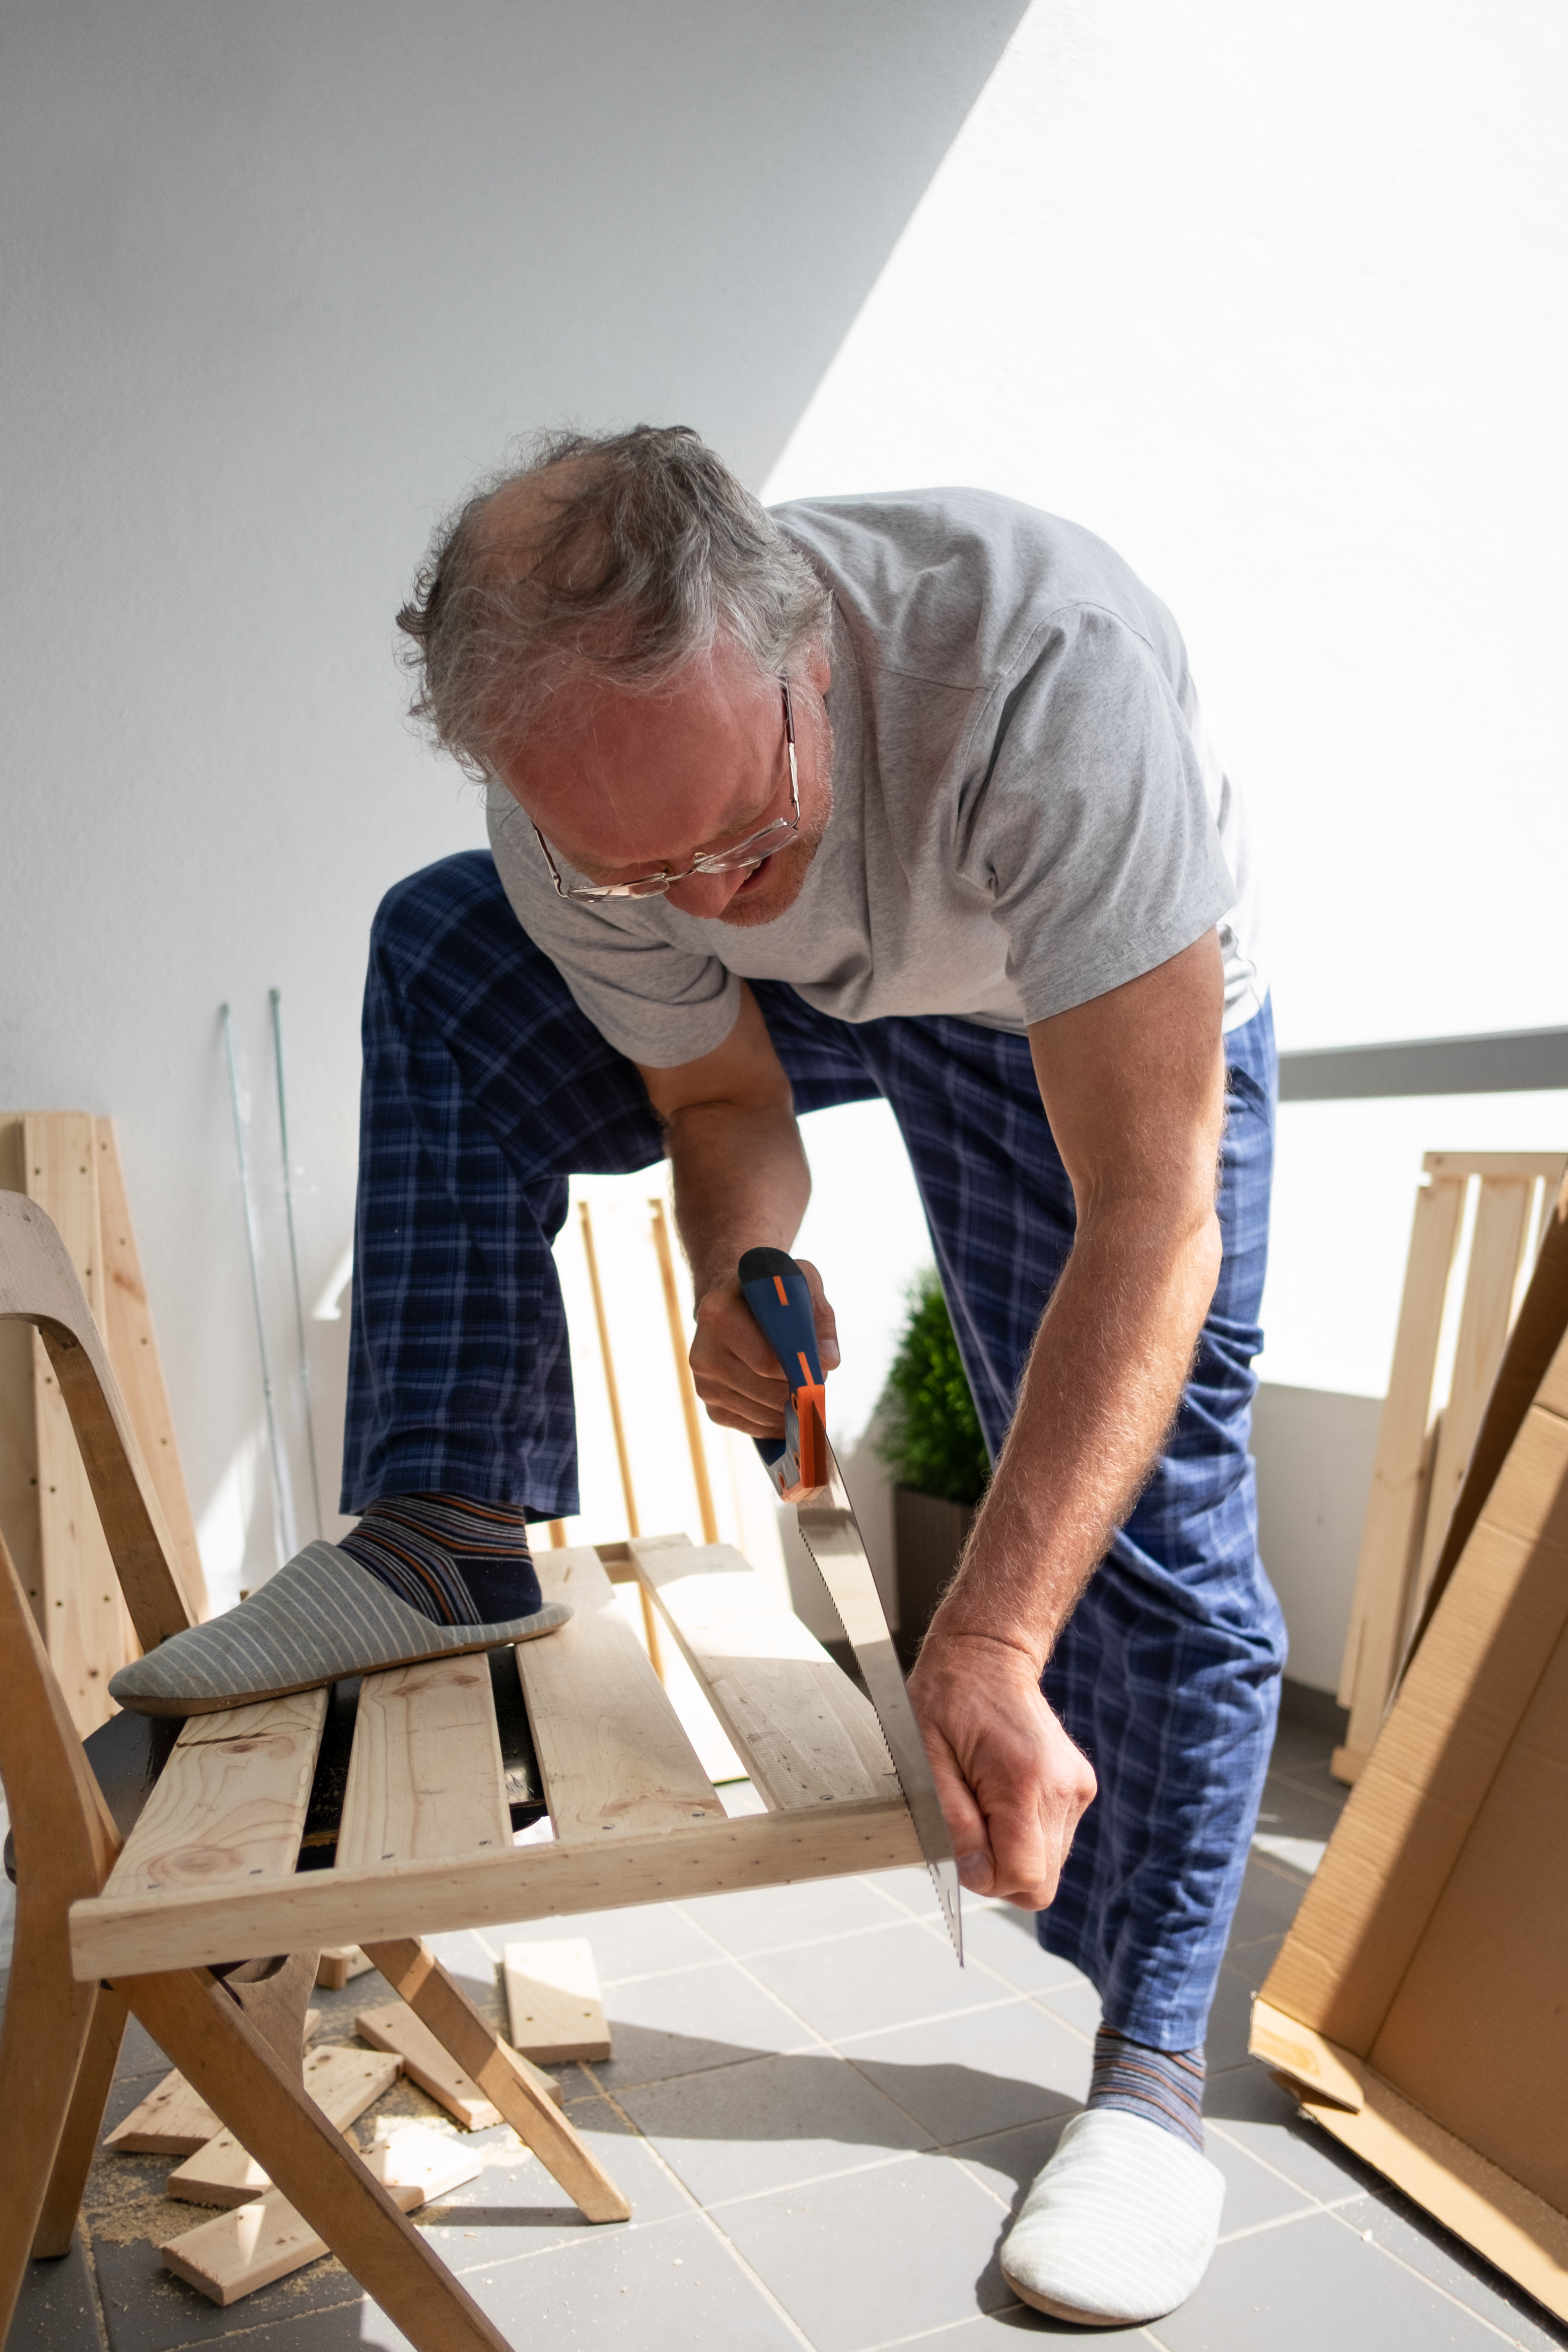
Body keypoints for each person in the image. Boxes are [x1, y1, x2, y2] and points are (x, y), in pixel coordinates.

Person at [112, 424, 1286, 2328]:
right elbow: (725, 1088)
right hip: (858, 1004)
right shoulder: (583, 826)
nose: (716, 894)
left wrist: (980, 1644)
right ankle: (442, 1523)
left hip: (1067, 998)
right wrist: (741, 1256)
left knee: (1143, 1528)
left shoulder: (1037, 676)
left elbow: (1149, 1228)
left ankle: (1150, 2079)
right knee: (439, 946)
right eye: (648, 869)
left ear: (803, 650)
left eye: (754, 829)